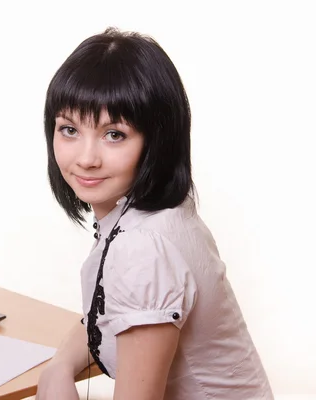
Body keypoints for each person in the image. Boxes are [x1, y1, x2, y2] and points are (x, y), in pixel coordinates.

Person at [35, 27, 274, 400]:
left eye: (114, 134)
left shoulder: (145, 249)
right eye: (69, 129)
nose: (85, 158)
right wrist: (59, 368)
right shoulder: (156, 216)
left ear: (156, 141)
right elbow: (103, 315)